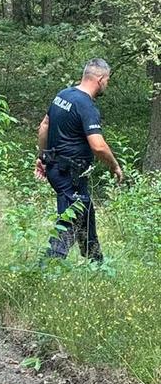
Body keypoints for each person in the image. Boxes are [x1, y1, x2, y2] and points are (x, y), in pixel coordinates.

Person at [36, 58, 124, 263]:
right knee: (71, 221)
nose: (107, 84)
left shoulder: (63, 95)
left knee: (85, 213)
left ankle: (97, 265)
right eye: (108, 80)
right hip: (69, 174)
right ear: (101, 79)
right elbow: (98, 145)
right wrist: (115, 166)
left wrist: (42, 157)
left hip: (56, 168)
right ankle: (45, 270)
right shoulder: (86, 105)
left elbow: (44, 126)